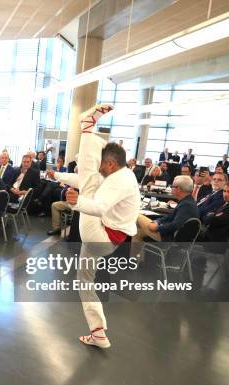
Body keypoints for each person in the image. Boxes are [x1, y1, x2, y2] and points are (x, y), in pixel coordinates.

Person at [51, 104, 141, 349]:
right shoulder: (118, 175)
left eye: (101, 162)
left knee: (90, 183)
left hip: (102, 237)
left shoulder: (119, 180)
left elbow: (98, 206)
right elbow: (82, 178)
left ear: (110, 164)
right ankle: (98, 331)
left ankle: (88, 126)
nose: (97, 165)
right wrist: (58, 176)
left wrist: (77, 201)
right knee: (84, 280)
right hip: (103, 238)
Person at [133, 175, 199, 246]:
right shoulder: (187, 201)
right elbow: (170, 217)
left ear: (179, 189)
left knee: (138, 216)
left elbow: (175, 225)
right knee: (137, 232)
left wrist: (157, 228)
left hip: (169, 237)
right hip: (169, 233)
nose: (171, 188)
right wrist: (157, 221)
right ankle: (137, 256)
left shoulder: (187, 205)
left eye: (172, 187)